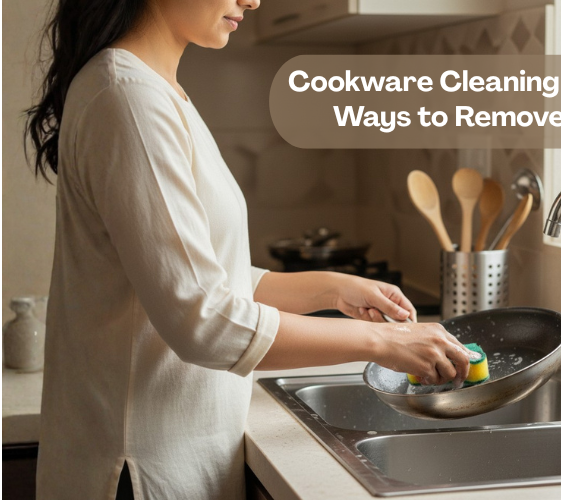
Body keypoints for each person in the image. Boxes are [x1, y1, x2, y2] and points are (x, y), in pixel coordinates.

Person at [23, 0, 470, 498]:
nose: (253, 0)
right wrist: (384, 344)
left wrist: (332, 287)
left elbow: (199, 275)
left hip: (167, 453)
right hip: (139, 470)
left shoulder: (154, 90)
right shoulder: (129, 97)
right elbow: (205, 322)